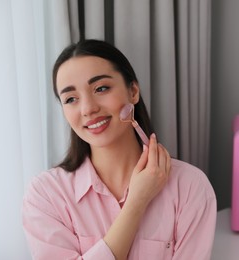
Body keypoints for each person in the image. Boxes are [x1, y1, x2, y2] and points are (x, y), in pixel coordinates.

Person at [22, 39, 217, 260]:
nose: (88, 108)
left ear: (133, 91)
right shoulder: (46, 195)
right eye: (71, 99)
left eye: (101, 88)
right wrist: (137, 202)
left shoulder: (190, 186)